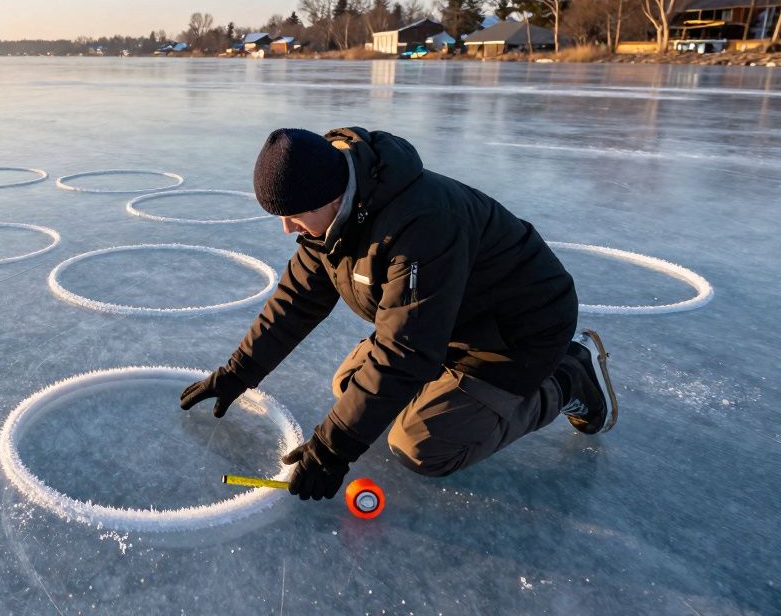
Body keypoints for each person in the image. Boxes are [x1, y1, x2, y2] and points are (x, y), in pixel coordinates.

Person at [179, 128, 616, 501]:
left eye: (293, 216)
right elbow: (295, 302)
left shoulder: (420, 224)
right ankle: (449, 388)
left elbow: (405, 351)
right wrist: (238, 372)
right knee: (349, 386)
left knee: (420, 447)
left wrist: (331, 451)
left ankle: (566, 379)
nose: (286, 228)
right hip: (447, 321)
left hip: (513, 333)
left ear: (329, 197)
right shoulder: (336, 212)